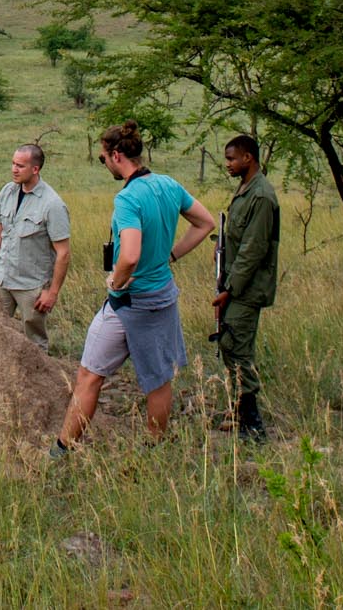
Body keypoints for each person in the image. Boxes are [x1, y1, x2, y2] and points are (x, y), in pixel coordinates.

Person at [54, 122, 216, 452]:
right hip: (163, 297)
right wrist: (172, 254)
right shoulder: (169, 185)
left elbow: (129, 253)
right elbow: (206, 222)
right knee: (158, 380)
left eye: (103, 159)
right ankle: (153, 450)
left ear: (116, 155)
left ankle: (61, 450)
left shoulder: (127, 199)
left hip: (129, 302)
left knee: (89, 376)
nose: (105, 165)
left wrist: (115, 280)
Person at [211, 133, 279, 442]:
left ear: (248, 158)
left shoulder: (261, 196)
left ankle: (254, 426)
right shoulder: (246, 189)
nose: (228, 164)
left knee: (238, 347)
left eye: (232, 159)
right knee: (229, 343)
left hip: (246, 289)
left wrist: (231, 288)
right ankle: (239, 412)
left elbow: (253, 250)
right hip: (235, 284)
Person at [0, 142, 71, 347]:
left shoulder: (52, 204)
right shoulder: (7, 192)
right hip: (2, 277)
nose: (14, 169)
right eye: (13, 164)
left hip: (30, 285)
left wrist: (52, 292)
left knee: (35, 342)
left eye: (20, 166)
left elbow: (63, 253)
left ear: (35, 169)